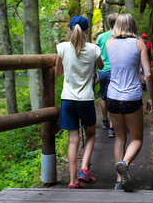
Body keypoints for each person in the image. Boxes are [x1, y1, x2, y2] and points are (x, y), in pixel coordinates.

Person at [105, 13, 153, 191]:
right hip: (131, 97)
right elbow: (147, 73)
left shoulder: (109, 43)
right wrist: (151, 97)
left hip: (112, 97)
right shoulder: (138, 43)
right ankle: (124, 163)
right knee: (137, 138)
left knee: (119, 137)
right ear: (133, 26)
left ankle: (119, 181)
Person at [56, 15, 104, 189]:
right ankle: (84, 168)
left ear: (70, 30)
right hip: (85, 99)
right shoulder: (93, 49)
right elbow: (100, 67)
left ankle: (73, 181)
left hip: (67, 99)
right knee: (90, 133)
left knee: (73, 140)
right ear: (87, 31)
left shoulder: (61, 48)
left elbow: (58, 73)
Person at [96, 13, 119, 138]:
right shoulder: (120, 37)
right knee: (114, 97)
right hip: (116, 71)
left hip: (103, 70)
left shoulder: (100, 37)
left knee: (103, 97)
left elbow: (95, 54)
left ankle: (105, 120)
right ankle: (112, 127)